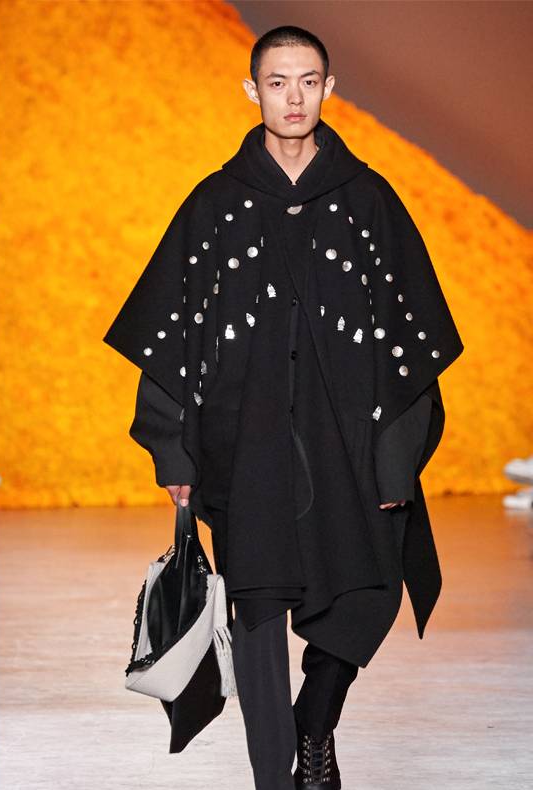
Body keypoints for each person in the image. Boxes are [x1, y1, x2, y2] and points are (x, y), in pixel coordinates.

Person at [105, 25, 461, 790]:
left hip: (350, 444)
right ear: (252, 90)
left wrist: (396, 458)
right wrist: (172, 449)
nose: (293, 98)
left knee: (367, 597)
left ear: (329, 89)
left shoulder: (368, 200)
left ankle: (315, 725)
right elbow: (173, 333)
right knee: (259, 616)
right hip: (246, 445)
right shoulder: (214, 203)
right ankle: (278, 778)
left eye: (307, 81)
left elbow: (410, 338)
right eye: (277, 82)